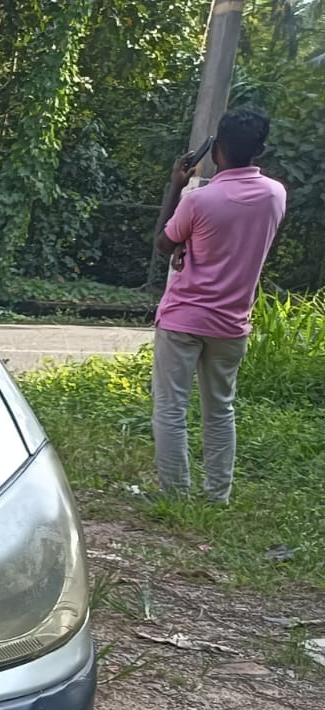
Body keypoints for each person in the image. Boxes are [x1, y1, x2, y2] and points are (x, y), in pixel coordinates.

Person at [150, 108, 286, 503]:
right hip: (231, 323)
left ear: (216, 150)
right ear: (261, 148)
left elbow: (163, 244)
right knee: (220, 409)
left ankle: (175, 496)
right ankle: (217, 496)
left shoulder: (199, 200)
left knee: (171, 408)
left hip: (183, 318)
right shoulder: (275, 195)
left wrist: (176, 187)